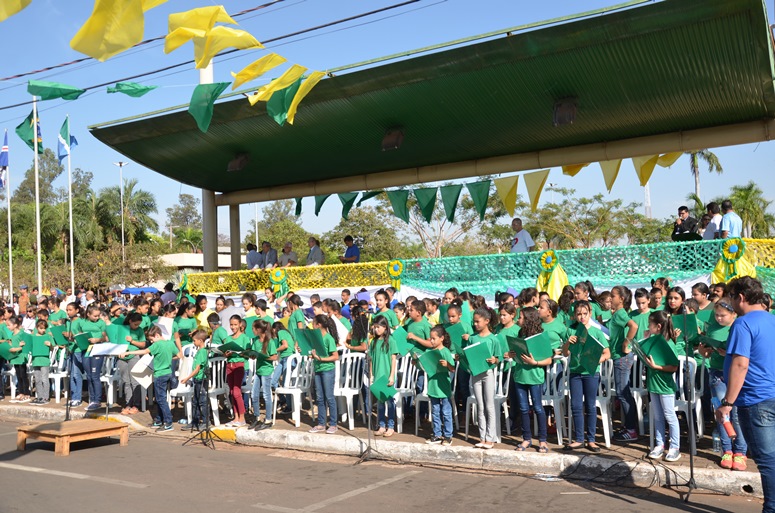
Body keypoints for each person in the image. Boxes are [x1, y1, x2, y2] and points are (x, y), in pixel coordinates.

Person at [720, 277, 775, 512]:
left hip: (755, 401)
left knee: (767, 460)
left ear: (740, 297)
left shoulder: (742, 324)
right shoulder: (771, 320)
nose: (731, 303)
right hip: (770, 395)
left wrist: (727, 402)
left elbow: (741, 364)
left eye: (731, 298)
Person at [698, 300, 748, 470]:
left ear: (733, 314)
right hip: (716, 373)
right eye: (717, 315)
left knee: (736, 413)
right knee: (721, 412)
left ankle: (740, 451)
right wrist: (706, 349)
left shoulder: (739, 327)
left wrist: (728, 352)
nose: (719, 318)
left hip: (735, 374)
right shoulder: (712, 328)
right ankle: (727, 449)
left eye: (723, 315)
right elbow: (703, 351)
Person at [562, 300, 610, 453]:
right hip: (575, 372)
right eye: (579, 314)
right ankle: (579, 439)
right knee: (576, 405)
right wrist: (567, 344)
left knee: (590, 405)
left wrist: (596, 361)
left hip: (590, 372)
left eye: (585, 314)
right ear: (574, 315)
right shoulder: (571, 330)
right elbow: (565, 353)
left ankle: (591, 439)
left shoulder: (596, 332)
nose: (582, 317)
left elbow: (607, 353)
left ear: (590, 313)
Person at [121, 326, 177, 431]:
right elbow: (179, 355)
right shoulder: (170, 343)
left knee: (161, 400)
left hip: (159, 375)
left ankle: (168, 422)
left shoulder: (156, 345)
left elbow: (144, 351)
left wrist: (128, 352)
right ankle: (159, 420)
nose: (151, 341)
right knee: (160, 399)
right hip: (168, 373)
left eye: (151, 339)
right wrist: (168, 358)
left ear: (157, 335)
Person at [643, 310, 682, 462]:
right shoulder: (652, 341)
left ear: (658, 326)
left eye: (650, 325)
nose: (648, 327)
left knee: (670, 416)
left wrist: (656, 367)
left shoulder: (669, 343)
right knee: (658, 416)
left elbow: (674, 367)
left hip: (665, 386)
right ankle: (660, 444)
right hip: (653, 384)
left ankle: (675, 447)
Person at [608, 286, 640, 443]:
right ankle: (629, 426)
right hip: (618, 356)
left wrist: (626, 343)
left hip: (622, 357)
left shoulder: (621, 313)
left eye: (613, 296)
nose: (610, 298)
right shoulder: (617, 314)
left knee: (623, 392)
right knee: (623, 392)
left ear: (621, 299)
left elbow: (634, 326)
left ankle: (631, 429)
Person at [468, 307, 501, 449]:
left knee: (489, 406)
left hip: (488, 374)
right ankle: (482, 437)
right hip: (476, 374)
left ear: (487, 321)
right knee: (480, 406)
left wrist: (495, 360)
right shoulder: (472, 338)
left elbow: (498, 358)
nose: (475, 324)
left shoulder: (493, 339)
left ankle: (490, 437)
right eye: (474, 322)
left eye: (478, 321)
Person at [308, 315, 340, 434]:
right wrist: (310, 354)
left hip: (327, 370)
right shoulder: (317, 338)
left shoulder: (328, 338)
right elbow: (316, 354)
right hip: (318, 369)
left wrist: (320, 358)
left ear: (319, 324)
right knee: (320, 398)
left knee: (329, 397)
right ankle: (321, 423)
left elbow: (335, 356)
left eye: (314, 323)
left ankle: (333, 423)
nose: (312, 325)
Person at [425, 325, 456, 446]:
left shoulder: (445, 351)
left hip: (443, 387)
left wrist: (447, 364)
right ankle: (437, 434)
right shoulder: (429, 352)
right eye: (430, 338)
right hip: (433, 385)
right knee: (435, 412)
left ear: (441, 338)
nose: (431, 341)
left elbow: (452, 369)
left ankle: (448, 435)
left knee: (446, 412)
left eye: (434, 338)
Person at [369, 316, 398, 437]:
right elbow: (371, 359)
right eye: (375, 327)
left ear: (385, 328)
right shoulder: (374, 342)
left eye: (379, 327)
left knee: (390, 402)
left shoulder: (391, 340)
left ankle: (391, 426)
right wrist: (371, 374)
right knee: (380, 403)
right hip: (377, 376)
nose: (376, 329)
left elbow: (393, 359)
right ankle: (381, 425)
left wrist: (392, 376)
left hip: (386, 375)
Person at [249, 319, 278, 430]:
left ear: (259, 329)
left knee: (266, 395)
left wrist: (264, 357)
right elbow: (253, 353)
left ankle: (268, 419)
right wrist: (251, 355)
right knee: (254, 394)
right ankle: (257, 417)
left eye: (254, 328)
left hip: (267, 371)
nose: (252, 330)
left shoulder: (269, 341)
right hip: (258, 370)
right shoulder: (256, 341)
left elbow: (275, 357)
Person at [178, 330, 209, 430]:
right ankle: (194, 422)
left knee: (202, 402)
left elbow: (197, 369)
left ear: (200, 340)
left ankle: (205, 422)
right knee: (195, 401)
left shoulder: (202, 352)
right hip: (196, 380)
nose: (193, 342)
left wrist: (187, 378)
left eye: (194, 340)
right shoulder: (199, 351)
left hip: (201, 380)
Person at [223, 315, 250, 428]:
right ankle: (235, 417)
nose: (233, 327)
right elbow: (224, 353)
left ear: (240, 325)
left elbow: (248, 353)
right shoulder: (228, 339)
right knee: (231, 392)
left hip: (239, 365)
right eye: (231, 325)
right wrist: (226, 354)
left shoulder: (244, 338)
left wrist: (241, 353)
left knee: (237, 391)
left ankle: (242, 417)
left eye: (235, 324)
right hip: (229, 365)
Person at [29, 319, 53, 405]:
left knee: (44, 379)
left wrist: (50, 345)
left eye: (44, 328)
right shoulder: (33, 337)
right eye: (41, 328)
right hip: (36, 360)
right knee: (38, 379)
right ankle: (40, 396)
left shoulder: (48, 336)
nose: (43, 330)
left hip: (44, 360)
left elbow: (53, 347)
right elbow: (29, 346)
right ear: (37, 328)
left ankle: (46, 397)